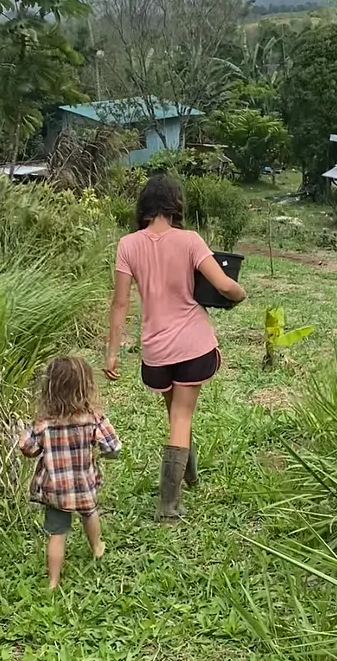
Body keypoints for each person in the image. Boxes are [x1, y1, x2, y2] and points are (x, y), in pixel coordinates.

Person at [105, 175, 245, 522]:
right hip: (192, 345)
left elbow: (120, 303)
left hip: (155, 351)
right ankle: (168, 507)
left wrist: (111, 352)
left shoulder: (127, 245)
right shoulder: (190, 240)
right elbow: (225, 285)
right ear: (174, 205)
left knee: (176, 415)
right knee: (182, 416)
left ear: (144, 207)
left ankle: (189, 474)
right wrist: (240, 295)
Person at [19, 356, 121, 589]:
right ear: (86, 388)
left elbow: (26, 447)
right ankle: (96, 547)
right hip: (84, 484)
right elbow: (113, 446)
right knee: (90, 514)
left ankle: (53, 581)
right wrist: (104, 453)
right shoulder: (93, 419)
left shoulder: (43, 423)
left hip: (55, 489)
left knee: (57, 533)